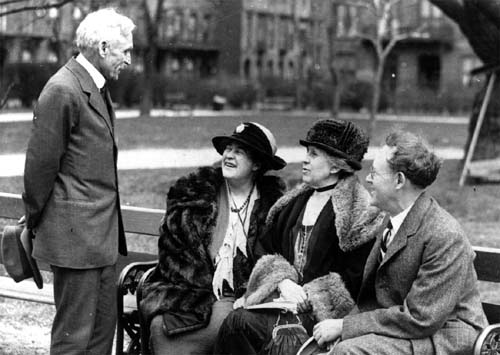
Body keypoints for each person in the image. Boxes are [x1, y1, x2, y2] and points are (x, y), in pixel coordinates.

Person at [214, 119, 385, 355]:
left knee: (239, 325)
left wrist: (308, 295)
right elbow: (265, 248)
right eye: (307, 152)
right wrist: (283, 282)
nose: (305, 159)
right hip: (280, 299)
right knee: (238, 324)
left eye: (314, 155)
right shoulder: (292, 202)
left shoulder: (358, 211)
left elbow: (356, 275)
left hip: (323, 317)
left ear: (335, 167)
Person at [312, 130, 489, 355]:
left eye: (374, 172)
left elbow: (421, 319)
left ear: (399, 181)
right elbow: (375, 300)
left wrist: (345, 327)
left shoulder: (444, 235)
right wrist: (345, 328)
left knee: (348, 352)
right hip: (408, 328)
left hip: (445, 337)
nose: (367, 179)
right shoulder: (394, 219)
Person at [22, 8, 135, 355]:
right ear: (102, 47)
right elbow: (39, 169)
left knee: (101, 339)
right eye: (125, 51)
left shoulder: (94, 86)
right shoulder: (63, 89)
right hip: (76, 242)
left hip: (100, 241)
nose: (129, 61)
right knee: (73, 341)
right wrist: (37, 221)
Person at [139, 122, 287, 354]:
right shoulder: (193, 193)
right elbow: (175, 253)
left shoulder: (273, 205)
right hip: (189, 289)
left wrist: (247, 291)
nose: (229, 155)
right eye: (228, 148)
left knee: (228, 324)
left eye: (239, 152)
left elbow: (274, 258)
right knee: (165, 327)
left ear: (257, 164)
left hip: (244, 295)